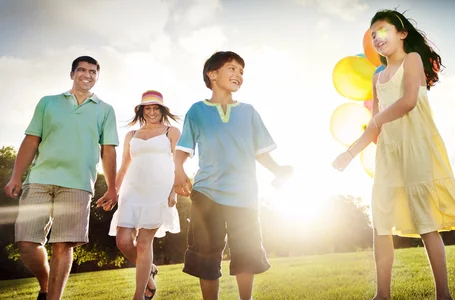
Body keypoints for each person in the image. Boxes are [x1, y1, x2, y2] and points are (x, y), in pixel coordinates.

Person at [332, 9, 455, 300]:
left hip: (417, 149)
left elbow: (408, 102)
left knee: (427, 224)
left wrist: (379, 118)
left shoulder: (413, 60)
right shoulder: (377, 76)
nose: (376, 39)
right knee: (380, 223)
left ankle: (443, 295)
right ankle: (382, 295)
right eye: (372, 36)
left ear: (402, 34)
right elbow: (373, 125)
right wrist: (350, 152)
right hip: (389, 155)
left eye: (382, 31)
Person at [173, 51, 292, 300]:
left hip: (245, 194)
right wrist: (178, 171)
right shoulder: (197, 111)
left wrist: (278, 169)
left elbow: (260, 153)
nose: (238, 74)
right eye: (232, 68)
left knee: (246, 254)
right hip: (207, 193)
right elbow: (184, 148)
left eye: (241, 71)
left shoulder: (248, 112)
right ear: (212, 74)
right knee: (206, 254)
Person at [3, 56, 119, 300]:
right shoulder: (48, 103)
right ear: (72, 74)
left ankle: (53, 298)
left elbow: (108, 150)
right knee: (26, 243)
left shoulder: (105, 110)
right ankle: (45, 285)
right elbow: (31, 139)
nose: (86, 75)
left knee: (63, 244)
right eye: (81, 70)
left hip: (78, 184)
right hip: (39, 178)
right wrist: (16, 176)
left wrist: (112, 187)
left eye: (92, 72)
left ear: (97, 77)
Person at [108, 90, 181, 300]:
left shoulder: (172, 132)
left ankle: (139, 295)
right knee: (122, 241)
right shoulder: (131, 135)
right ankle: (150, 272)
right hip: (132, 190)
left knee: (143, 242)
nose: (151, 112)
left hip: (160, 189)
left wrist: (173, 191)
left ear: (163, 110)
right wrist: (113, 191)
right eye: (147, 108)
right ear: (141, 110)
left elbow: (179, 164)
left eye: (156, 108)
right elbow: (123, 168)